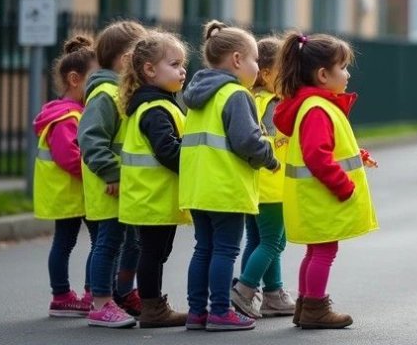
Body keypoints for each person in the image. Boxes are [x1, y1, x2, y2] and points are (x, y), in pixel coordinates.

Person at [272, 32, 378, 329]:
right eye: (342, 68)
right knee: (324, 251)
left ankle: (306, 305)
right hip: (321, 196)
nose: (346, 74)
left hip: (310, 198)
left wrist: (358, 154)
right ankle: (316, 308)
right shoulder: (317, 109)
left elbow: (329, 146)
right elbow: (317, 156)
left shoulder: (315, 105)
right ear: (322, 74)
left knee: (316, 250)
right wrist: (343, 187)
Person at [180, 21, 280, 332]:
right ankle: (221, 310)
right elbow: (247, 141)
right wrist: (269, 157)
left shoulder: (196, 94)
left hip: (197, 186)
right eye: (254, 61)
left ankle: (197, 312)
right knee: (225, 250)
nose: (256, 68)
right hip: (225, 187)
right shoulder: (236, 94)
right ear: (237, 60)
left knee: (203, 248)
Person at [117, 31, 191, 328]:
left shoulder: (159, 104)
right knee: (153, 253)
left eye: (183, 64)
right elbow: (167, 151)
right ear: (150, 70)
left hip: (153, 196)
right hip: (153, 196)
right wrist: (196, 164)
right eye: (174, 64)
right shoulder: (156, 109)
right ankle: (152, 307)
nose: (182, 70)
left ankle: (152, 302)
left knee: (156, 252)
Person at [78, 20, 148, 328]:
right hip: (110, 185)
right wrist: (112, 173)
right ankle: (101, 302)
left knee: (130, 242)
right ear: (124, 60)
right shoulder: (105, 94)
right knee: (108, 242)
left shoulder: (122, 92)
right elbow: (91, 140)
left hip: (123, 184)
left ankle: (122, 293)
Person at [33, 35, 98, 318]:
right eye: (94, 78)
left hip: (73, 192)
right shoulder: (66, 117)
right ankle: (67, 295)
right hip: (73, 192)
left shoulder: (74, 113)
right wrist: (98, 171)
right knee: (76, 242)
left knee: (82, 241)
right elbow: (69, 157)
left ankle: (85, 292)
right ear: (74, 79)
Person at [231, 36, 294, 319]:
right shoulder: (274, 105)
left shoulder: (251, 99)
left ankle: (273, 293)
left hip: (254, 185)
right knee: (273, 242)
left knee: (258, 241)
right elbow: (274, 139)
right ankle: (245, 290)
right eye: (285, 73)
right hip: (272, 185)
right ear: (267, 74)